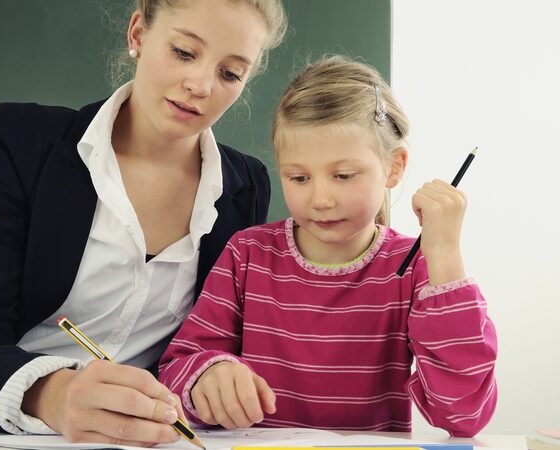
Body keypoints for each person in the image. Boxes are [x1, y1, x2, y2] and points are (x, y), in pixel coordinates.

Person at [0, 0, 287, 446]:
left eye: (230, 73)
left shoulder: (245, 186)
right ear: (137, 34)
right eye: (184, 52)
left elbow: (211, 340)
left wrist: (216, 371)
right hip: (11, 434)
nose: (200, 84)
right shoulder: (24, 142)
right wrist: (48, 393)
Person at [157, 56, 498, 437]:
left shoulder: (417, 268)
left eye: (343, 176)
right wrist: (209, 375)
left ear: (394, 167)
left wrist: (446, 253)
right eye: (299, 177)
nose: (320, 198)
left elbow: (464, 416)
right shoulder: (248, 254)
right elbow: (176, 369)